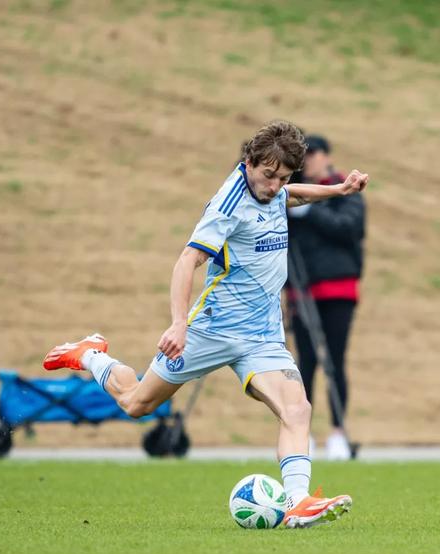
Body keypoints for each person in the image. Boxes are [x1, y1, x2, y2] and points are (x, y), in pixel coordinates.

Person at [42, 121, 369, 527]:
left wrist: (337, 191)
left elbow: (291, 195)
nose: (274, 186)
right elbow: (187, 260)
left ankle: (297, 502)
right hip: (211, 329)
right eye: (268, 176)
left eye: (283, 178)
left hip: (262, 336)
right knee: (137, 403)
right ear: (248, 163)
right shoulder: (227, 205)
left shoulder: (275, 186)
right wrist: (178, 324)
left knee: (297, 408)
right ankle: (90, 354)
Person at [286, 135, 365, 461]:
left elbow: (349, 227)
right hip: (302, 290)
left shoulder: (343, 187)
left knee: (335, 360)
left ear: (326, 156)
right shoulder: (297, 191)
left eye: (313, 154)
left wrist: (311, 213)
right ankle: (303, 435)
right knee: (305, 363)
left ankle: (338, 432)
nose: (309, 160)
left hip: (337, 288)